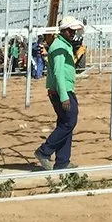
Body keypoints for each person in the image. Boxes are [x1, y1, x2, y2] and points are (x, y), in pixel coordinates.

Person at [35, 16, 83, 171]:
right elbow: (58, 73)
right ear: (65, 31)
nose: (74, 34)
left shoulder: (64, 45)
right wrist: (64, 96)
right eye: (72, 31)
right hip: (62, 91)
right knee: (69, 122)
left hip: (67, 89)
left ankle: (62, 161)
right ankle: (44, 151)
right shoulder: (59, 48)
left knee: (66, 123)